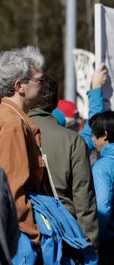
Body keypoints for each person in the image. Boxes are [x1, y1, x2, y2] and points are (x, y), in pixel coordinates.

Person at [0, 45, 51, 248]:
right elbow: (13, 191)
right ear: (20, 86)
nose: (43, 85)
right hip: (16, 238)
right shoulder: (12, 124)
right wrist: (35, 236)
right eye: (39, 80)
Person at [27, 74, 98, 246]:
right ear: (55, 103)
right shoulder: (72, 140)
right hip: (64, 233)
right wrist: (90, 245)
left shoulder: (11, 132)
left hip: (24, 230)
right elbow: (84, 200)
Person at [90, 111, 114, 260]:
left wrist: (94, 238)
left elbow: (103, 207)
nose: (92, 139)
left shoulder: (101, 167)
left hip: (109, 242)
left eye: (93, 134)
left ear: (104, 135)